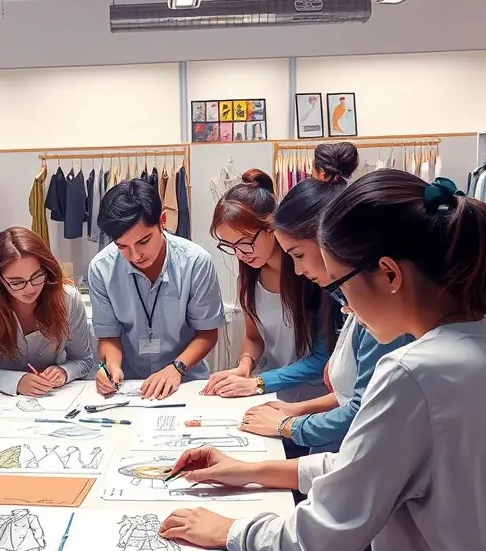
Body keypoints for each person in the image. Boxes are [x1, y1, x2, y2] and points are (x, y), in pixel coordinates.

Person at [159, 170, 486, 551]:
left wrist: (228, 530)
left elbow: (315, 544)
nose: (344, 306)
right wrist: (249, 470)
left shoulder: (414, 371)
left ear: (389, 274)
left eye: (341, 287)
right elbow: (372, 467)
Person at [237, 149, 409, 454]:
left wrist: (288, 423)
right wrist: (294, 412)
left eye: (299, 255)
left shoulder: (379, 310)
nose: (298, 270)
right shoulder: (348, 298)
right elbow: (352, 394)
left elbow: (365, 409)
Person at [89, 178, 224, 400]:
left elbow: (207, 333)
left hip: (186, 381)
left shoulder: (196, 262)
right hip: (131, 386)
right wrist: (111, 366)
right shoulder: (101, 268)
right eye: (122, 247)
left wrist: (176, 368)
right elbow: (108, 336)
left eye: (143, 241)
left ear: (162, 221)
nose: (135, 256)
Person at [202, 169, 328, 402]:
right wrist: (245, 364)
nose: (240, 254)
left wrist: (258, 383)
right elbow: (254, 337)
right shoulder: (248, 280)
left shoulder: (312, 274)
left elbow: (323, 358)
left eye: (245, 243)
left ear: (271, 225)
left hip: (317, 398)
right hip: (269, 392)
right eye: (230, 246)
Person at [0, 227, 94, 396]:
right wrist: (17, 381)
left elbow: (84, 360)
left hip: (55, 397)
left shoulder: (68, 296)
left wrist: (64, 372)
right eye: (17, 282)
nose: (30, 289)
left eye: (37, 276)